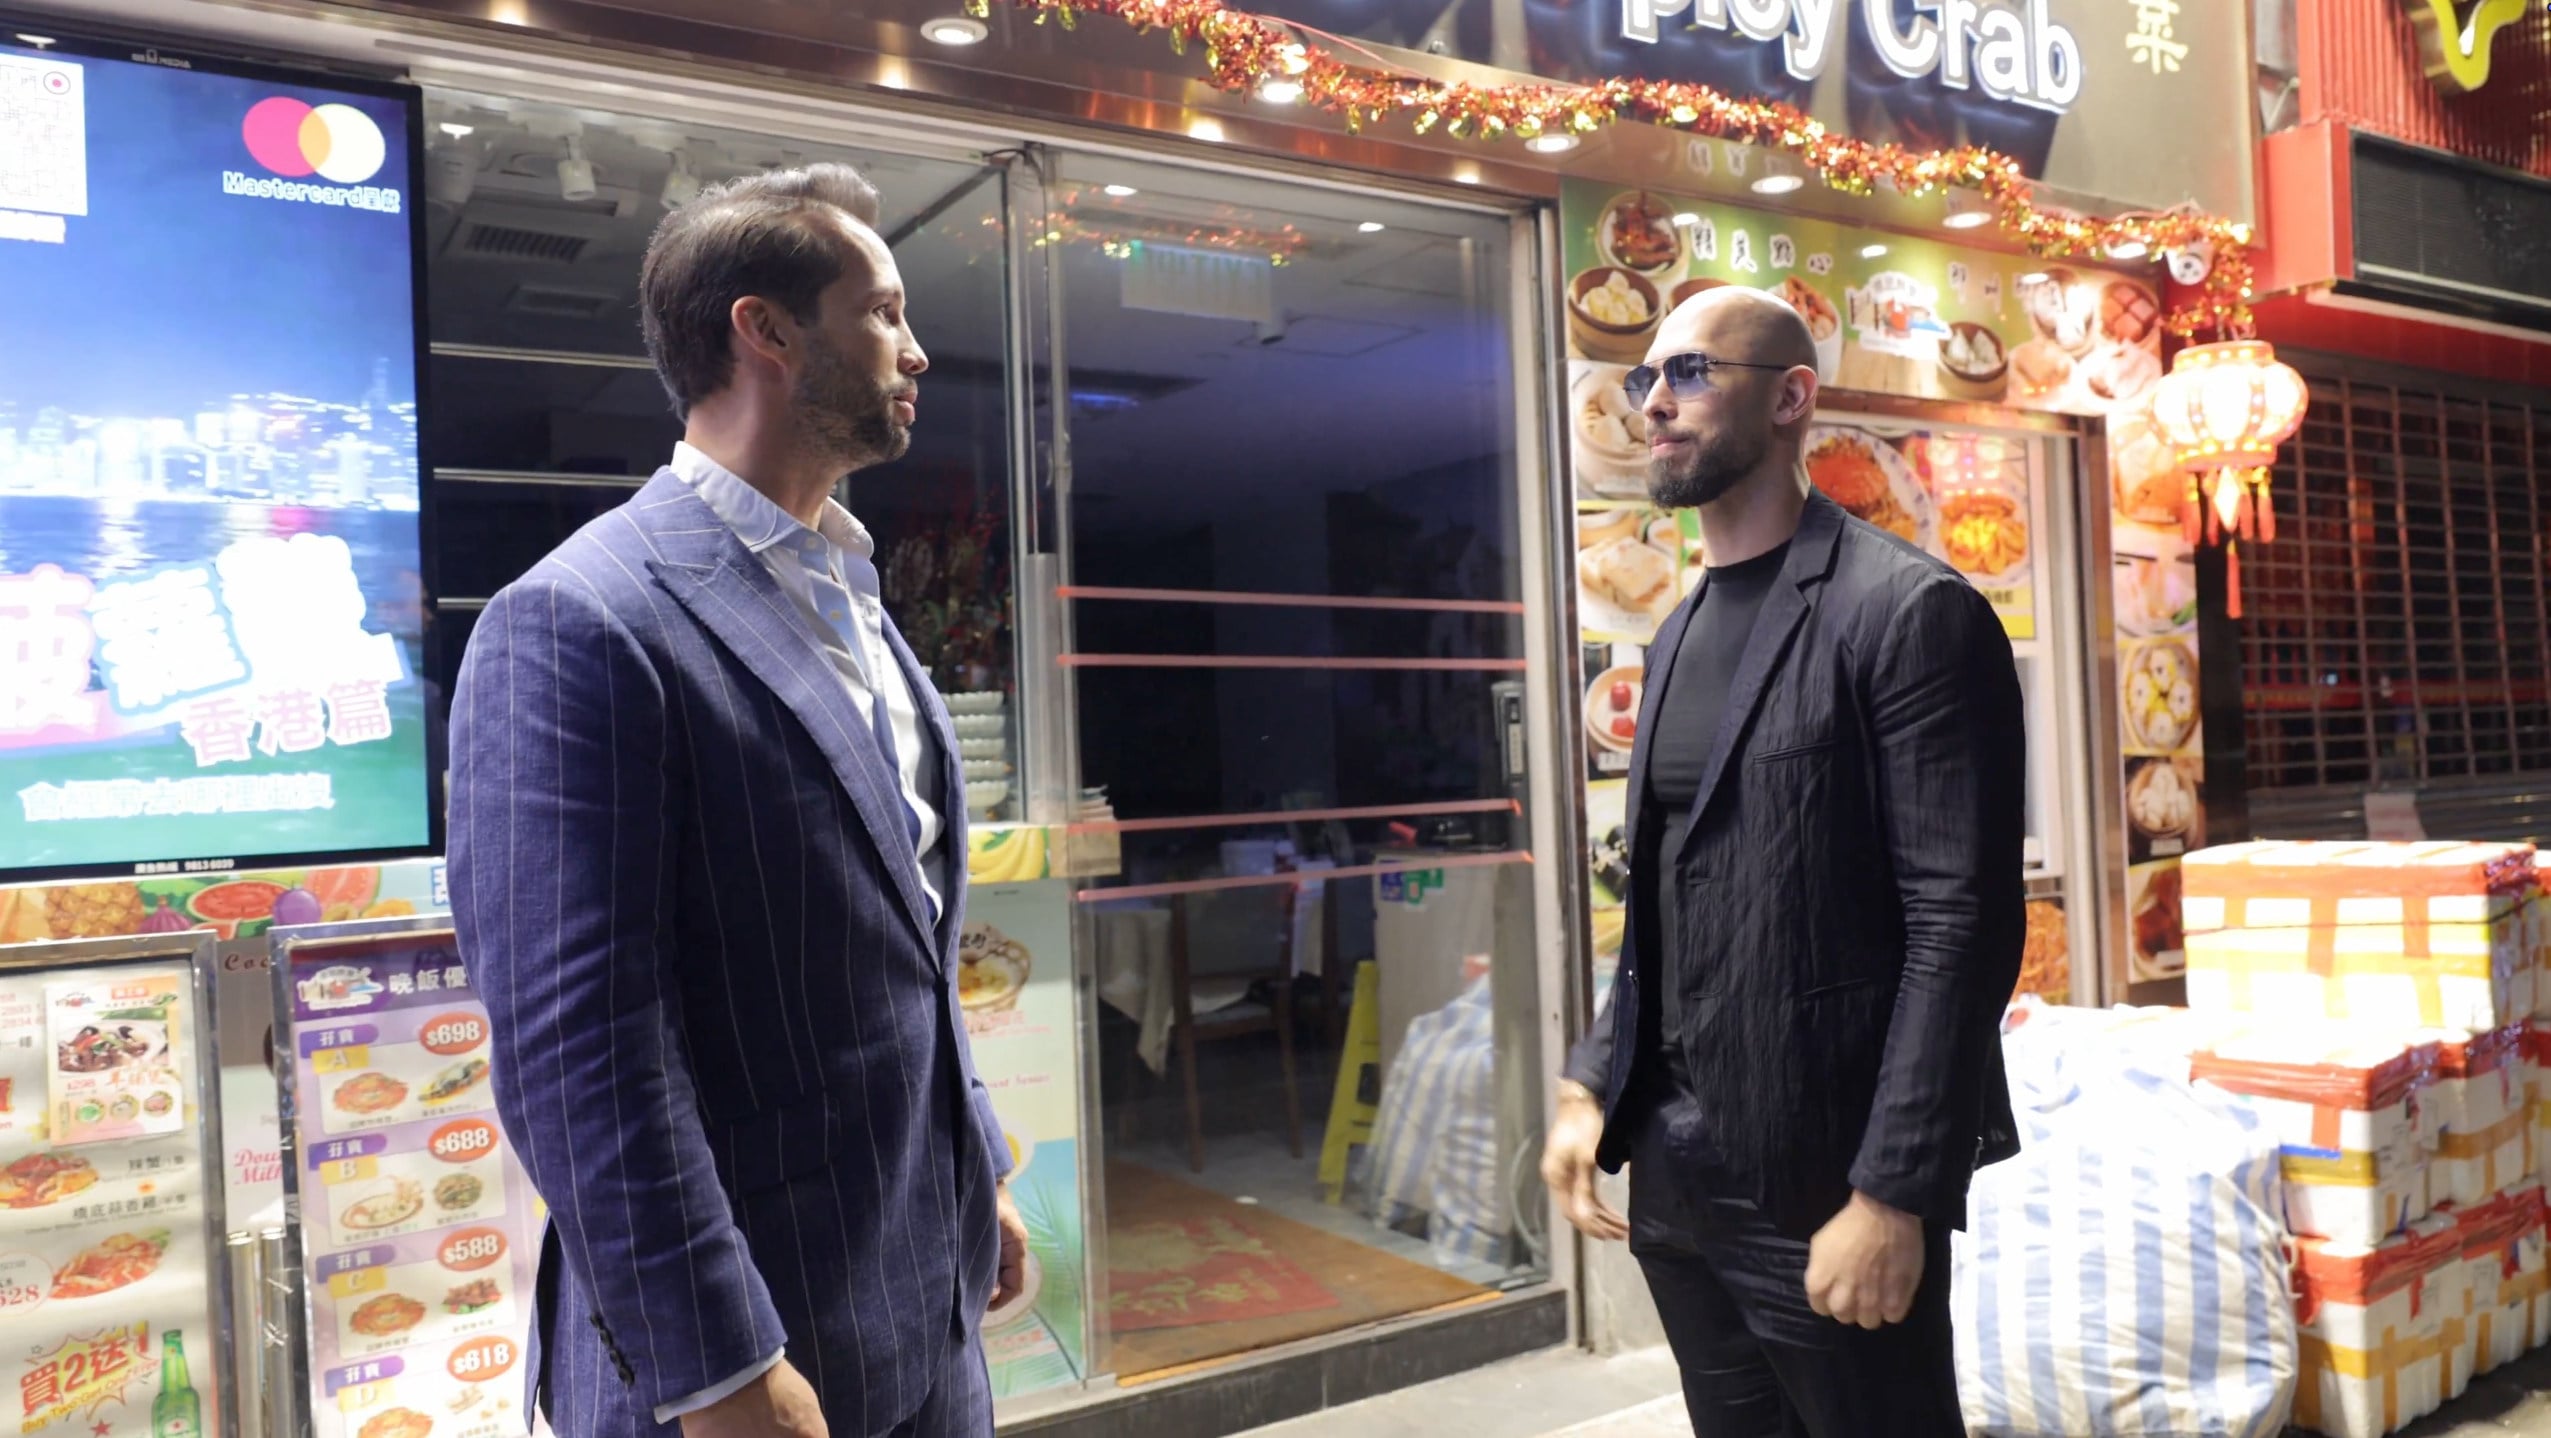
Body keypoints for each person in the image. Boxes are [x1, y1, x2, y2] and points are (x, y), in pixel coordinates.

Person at [447, 162, 1025, 1438]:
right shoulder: (577, 618)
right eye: (880, 312)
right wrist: (714, 1367)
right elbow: (575, 1054)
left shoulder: (852, 599)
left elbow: (901, 946)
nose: (916, 350)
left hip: (924, 1306)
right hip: (752, 1353)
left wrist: (969, 1174)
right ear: (763, 330)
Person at [1539, 288, 2025, 1436]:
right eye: (1647, 379)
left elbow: (1959, 927)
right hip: (1674, 1164)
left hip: (1825, 1172)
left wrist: (1893, 1192)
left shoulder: (1907, 612)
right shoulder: (1673, 631)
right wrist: (1590, 1081)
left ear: (1793, 396)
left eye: (1692, 373)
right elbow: (1664, 896)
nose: (1655, 401)